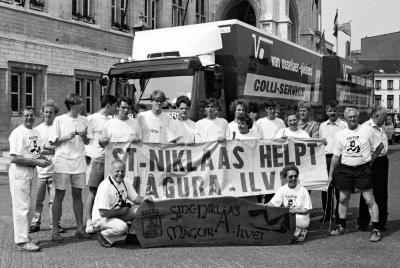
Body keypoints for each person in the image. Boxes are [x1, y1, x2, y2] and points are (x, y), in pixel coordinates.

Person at [329, 108, 382, 242]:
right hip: (345, 169)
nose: (352, 119)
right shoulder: (340, 134)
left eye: (354, 116)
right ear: (345, 119)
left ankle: (376, 229)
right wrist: (330, 175)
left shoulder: (367, 130)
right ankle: (341, 226)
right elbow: (336, 156)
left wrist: (372, 158)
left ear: (358, 117)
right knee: (342, 198)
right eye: (350, 117)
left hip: (363, 169)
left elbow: (380, 145)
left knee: (369, 199)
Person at [9, 106, 51, 252]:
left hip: (33, 172)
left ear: (36, 116)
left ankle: (25, 236)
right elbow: (14, 158)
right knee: (22, 208)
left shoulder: (36, 132)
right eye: (26, 115)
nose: (29, 118)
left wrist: (43, 158)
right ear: (21, 116)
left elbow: (35, 152)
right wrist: (37, 162)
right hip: (20, 173)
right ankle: (21, 242)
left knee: (31, 206)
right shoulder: (17, 133)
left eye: (32, 115)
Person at [49, 93, 90, 242]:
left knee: (78, 195)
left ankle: (79, 229)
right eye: (79, 103)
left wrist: (84, 136)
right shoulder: (59, 120)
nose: (82, 105)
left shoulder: (85, 120)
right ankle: (54, 231)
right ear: (72, 105)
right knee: (58, 195)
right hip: (62, 162)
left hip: (79, 161)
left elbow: (87, 142)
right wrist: (68, 136)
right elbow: (53, 142)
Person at [93, 160, 153, 247]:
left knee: (139, 209)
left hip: (117, 213)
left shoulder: (125, 180)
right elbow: (102, 213)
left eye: (122, 171)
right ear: (111, 171)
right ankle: (103, 235)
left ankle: (131, 235)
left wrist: (144, 199)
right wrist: (121, 212)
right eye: (117, 171)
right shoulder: (105, 187)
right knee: (122, 227)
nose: (120, 173)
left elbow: (135, 198)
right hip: (102, 219)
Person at [29, 100, 65, 234]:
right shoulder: (37, 129)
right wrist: (52, 149)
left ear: (55, 114)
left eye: (51, 112)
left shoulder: (59, 129)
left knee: (54, 201)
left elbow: (62, 149)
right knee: (37, 200)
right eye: (46, 112)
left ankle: (54, 223)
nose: (48, 114)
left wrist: (46, 148)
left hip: (56, 169)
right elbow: (35, 151)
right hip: (40, 171)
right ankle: (35, 222)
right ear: (42, 113)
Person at [85, 95, 118, 234]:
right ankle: (88, 221)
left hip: (110, 161)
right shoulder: (91, 119)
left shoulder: (113, 120)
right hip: (96, 160)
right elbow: (86, 140)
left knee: (109, 192)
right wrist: (87, 155)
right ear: (108, 105)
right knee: (93, 191)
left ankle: (104, 221)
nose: (116, 108)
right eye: (115, 105)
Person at [358, 108, 389, 232]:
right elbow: (363, 146)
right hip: (371, 162)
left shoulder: (380, 127)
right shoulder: (366, 128)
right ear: (377, 115)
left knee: (381, 193)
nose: (386, 119)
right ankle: (363, 222)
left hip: (382, 161)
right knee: (367, 191)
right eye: (384, 117)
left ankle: (380, 223)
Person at [266, 165, 312, 242]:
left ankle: (299, 231)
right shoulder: (282, 190)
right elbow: (272, 204)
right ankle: (298, 232)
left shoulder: (303, 190)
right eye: (290, 177)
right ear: (285, 178)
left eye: (295, 176)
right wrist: (262, 206)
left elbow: (308, 210)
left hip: (301, 219)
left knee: (282, 223)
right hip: (288, 217)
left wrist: (298, 211)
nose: (293, 178)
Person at [318, 100, 347, 222]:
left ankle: (339, 214)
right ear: (326, 112)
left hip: (340, 158)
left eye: (334, 110)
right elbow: (320, 143)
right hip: (326, 158)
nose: (332, 113)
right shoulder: (322, 126)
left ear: (338, 111)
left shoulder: (344, 125)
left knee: (339, 187)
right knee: (326, 188)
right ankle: (327, 214)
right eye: (330, 110)